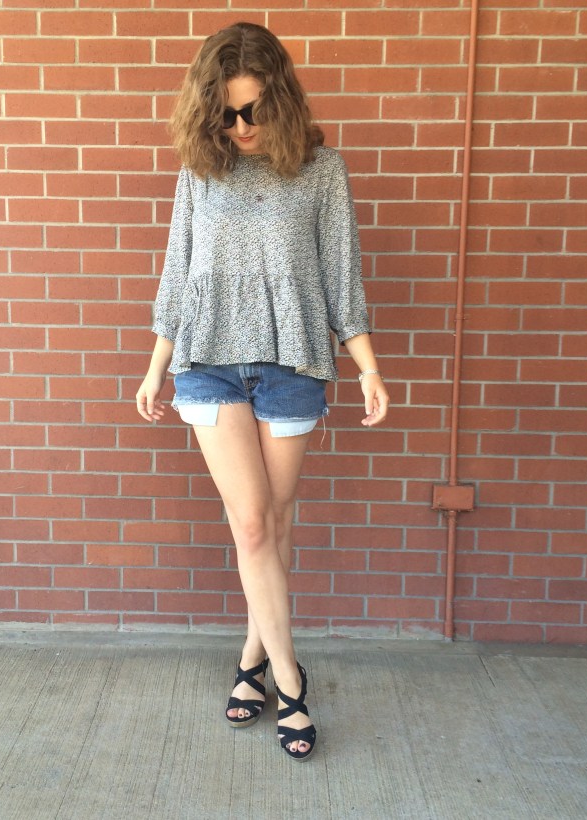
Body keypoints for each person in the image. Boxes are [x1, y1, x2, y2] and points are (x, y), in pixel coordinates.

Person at [135, 22, 389, 761]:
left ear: (277, 100)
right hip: (207, 363)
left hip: (292, 365)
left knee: (274, 527)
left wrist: (369, 368)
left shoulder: (322, 170)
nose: (239, 127)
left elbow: (343, 283)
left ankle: (250, 660)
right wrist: (156, 367)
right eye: (225, 113)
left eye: (251, 111)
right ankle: (291, 681)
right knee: (251, 526)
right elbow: (178, 275)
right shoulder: (199, 172)